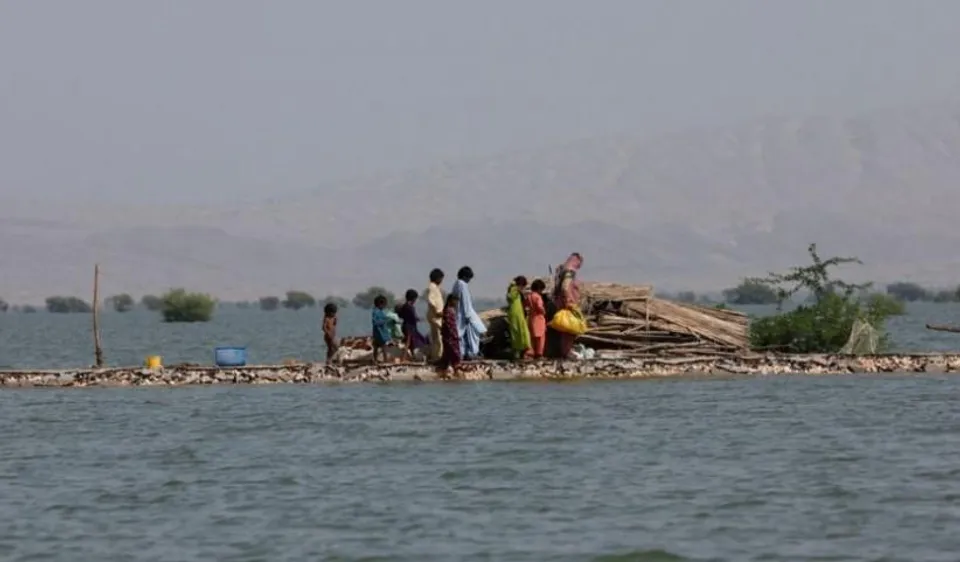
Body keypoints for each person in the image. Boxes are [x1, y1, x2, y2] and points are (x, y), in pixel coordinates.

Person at [451, 266, 487, 360]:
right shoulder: (463, 285)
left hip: (458, 313)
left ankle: (462, 353)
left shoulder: (456, 284)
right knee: (473, 334)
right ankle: (472, 353)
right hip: (464, 314)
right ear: (465, 276)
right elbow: (466, 302)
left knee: (461, 336)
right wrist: (468, 316)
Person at [553, 252, 584, 359]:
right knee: (570, 329)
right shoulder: (569, 272)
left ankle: (565, 351)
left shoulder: (562, 270)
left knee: (566, 329)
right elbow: (565, 287)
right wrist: (568, 301)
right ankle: (566, 351)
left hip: (562, 303)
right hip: (568, 305)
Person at [506, 276, 532, 359]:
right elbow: (510, 297)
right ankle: (517, 353)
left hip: (518, 314)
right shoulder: (514, 289)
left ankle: (520, 352)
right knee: (518, 333)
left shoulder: (515, 290)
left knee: (520, 333)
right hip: (516, 314)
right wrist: (517, 289)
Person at [398, 289, 429, 358]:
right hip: (409, 327)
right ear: (413, 298)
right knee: (408, 342)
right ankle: (403, 358)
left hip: (406, 326)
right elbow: (414, 317)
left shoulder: (404, 306)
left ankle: (412, 356)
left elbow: (402, 315)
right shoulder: (410, 307)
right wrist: (421, 319)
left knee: (412, 343)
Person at [424, 268, 445, 362]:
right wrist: (437, 311)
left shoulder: (435, 287)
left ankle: (435, 356)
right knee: (438, 338)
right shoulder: (432, 287)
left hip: (436, 316)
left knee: (436, 337)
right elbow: (431, 300)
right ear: (437, 278)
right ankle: (438, 357)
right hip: (435, 316)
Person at [438, 293, 462, 372]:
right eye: (455, 301)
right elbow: (449, 325)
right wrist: (454, 334)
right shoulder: (448, 310)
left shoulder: (449, 310)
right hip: (450, 335)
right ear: (451, 301)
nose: (456, 303)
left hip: (450, 335)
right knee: (453, 351)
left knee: (449, 351)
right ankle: (454, 367)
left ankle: (446, 367)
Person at [527, 279, 547, 359]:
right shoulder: (538, 297)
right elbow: (539, 307)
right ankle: (539, 354)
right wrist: (544, 311)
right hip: (539, 318)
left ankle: (532, 352)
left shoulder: (529, 296)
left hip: (532, 318)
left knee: (532, 337)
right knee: (540, 337)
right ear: (539, 289)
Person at [370, 294, 392, 364]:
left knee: (376, 347)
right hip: (380, 333)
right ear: (381, 304)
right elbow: (375, 322)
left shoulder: (377, 311)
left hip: (377, 332)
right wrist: (384, 321)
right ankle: (385, 360)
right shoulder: (377, 312)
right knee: (383, 346)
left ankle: (375, 360)